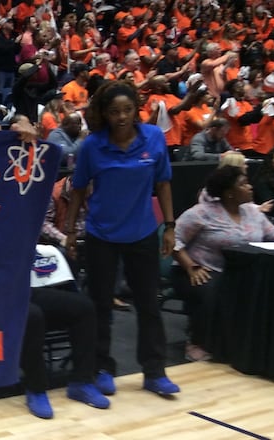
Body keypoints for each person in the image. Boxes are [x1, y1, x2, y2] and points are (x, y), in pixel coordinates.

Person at [65, 80, 181, 397]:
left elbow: (165, 184)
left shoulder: (154, 138)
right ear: (104, 113)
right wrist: (71, 230)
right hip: (102, 234)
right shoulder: (92, 145)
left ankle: (154, 372)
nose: (121, 117)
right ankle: (102, 367)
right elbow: (77, 190)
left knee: (148, 304)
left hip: (142, 232)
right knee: (100, 305)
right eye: (115, 111)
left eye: (127, 110)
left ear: (135, 111)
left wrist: (169, 226)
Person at [172, 166, 274, 361]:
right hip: (200, 269)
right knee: (213, 290)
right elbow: (173, 240)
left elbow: (273, 234)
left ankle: (239, 342)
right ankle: (197, 341)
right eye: (243, 184)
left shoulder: (252, 211)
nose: (250, 187)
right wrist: (190, 267)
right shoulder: (201, 213)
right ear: (229, 193)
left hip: (240, 271)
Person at [22, 245, 109, 419]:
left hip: (27, 286)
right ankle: (36, 389)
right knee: (32, 315)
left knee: (83, 307)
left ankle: (81, 381)